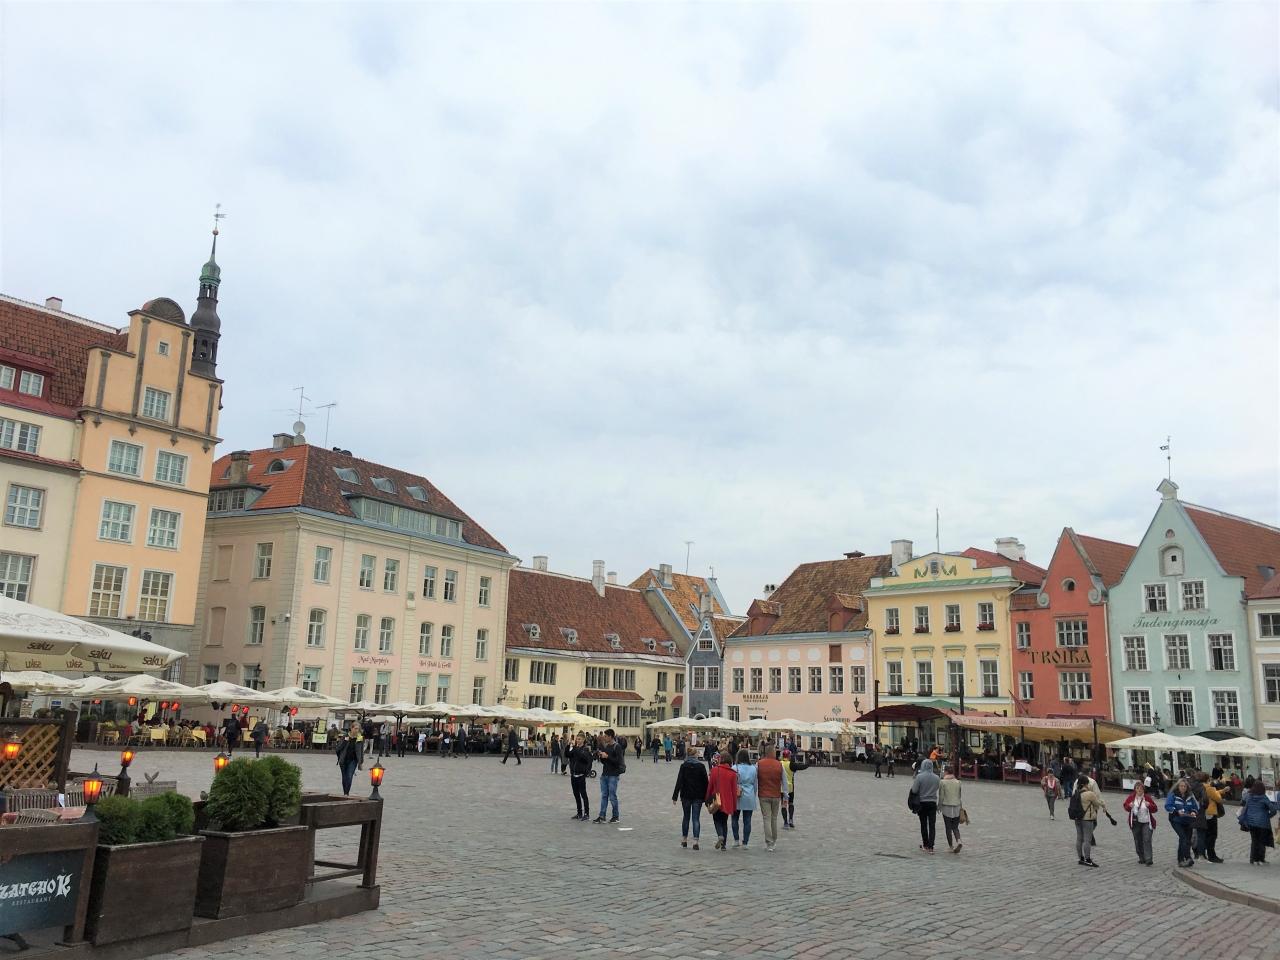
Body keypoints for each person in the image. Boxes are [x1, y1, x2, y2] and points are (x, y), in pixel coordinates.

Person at [672, 748, 709, 849]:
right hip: (698, 796)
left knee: (686, 817)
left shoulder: (684, 766)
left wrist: (675, 796)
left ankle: (684, 840)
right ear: (695, 755)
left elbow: (679, 781)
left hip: (686, 795)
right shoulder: (701, 766)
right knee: (696, 818)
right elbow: (706, 783)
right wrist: (707, 797)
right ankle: (695, 842)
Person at [1074, 774, 1109, 867]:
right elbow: (1097, 804)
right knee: (1087, 840)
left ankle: (1081, 858)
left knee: (1079, 838)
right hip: (1087, 819)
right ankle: (1088, 859)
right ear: (1086, 784)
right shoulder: (1090, 794)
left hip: (1077, 819)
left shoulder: (1076, 793)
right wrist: (1103, 806)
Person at [1239, 781, 1278, 865]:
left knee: (1254, 840)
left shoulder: (1249, 796)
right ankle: (1260, 859)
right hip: (1262, 823)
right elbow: (1273, 810)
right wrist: (1268, 816)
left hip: (1251, 822)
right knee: (1261, 841)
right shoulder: (1263, 797)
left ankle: (1253, 859)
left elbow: (1242, 803)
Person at [1164, 778, 1200, 868]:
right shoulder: (1173, 795)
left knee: (1187, 840)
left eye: (1185, 786)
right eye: (1181, 786)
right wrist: (1176, 811)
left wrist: (1193, 812)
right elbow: (1168, 806)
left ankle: (1180, 860)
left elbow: (1195, 807)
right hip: (1176, 820)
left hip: (1188, 820)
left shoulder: (1190, 796)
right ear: (1178, 786)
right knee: (1183, 838)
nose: (1183, 788)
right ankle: (1188, 858)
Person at [706, 752, 738, 850]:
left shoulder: (715, 770)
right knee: (724, 821)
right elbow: (734, 791)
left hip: (716, 798)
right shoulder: (733, 773)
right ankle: (723, 845)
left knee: (716, 820)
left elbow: (710, 786)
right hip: (727, 800)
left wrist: (707, 798)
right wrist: (734, 805)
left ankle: (720, 835)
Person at [909, 758, 941, 854]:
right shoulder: (937, 777)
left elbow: (914, 790)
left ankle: (925, 844)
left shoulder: (919, 777)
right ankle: (931, 846)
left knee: (923, 824)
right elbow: (937, 788)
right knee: (932, 825)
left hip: (922, 803)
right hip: (932, 803)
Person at [756, 744, 784, 852]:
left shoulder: (759, 764)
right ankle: (774, 840)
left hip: (763, 794)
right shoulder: (779, 764)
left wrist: (755, 791)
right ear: (773, 752)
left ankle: (769, 843)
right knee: (774, 818)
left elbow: (755, 779)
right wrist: (785, 794)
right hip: (776, 795)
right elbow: (784, 780)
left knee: (766, 818)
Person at [1123, 780, 1158, 866]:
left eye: (1141, 788)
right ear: (1135, 789)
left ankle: (1148, 859)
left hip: (1146, 822)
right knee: (1138, 840)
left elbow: (1155, 809)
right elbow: (1125, 806)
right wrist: (1129, 806)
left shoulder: (1147, 798)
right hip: (1135, 822)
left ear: (1143, 789)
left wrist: (1149, 805)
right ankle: (1141, 857)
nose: (1139, 790)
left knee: (1147, 839)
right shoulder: (1131, 797)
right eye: (1137, 788)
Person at [594, 729, 625, 823]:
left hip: (613, 775)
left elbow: (618, 761)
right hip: (605, 774)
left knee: (612, 796)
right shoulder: (606, 746)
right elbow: (605, 762)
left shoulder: (617, 747)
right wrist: (601, 756)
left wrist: (607, 757)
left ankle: (615, 816)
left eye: (606, 736)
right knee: (604, 796)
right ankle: (602, 816)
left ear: (611, 736)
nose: (604, 737)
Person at [1194, 771, 1226, 863]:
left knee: (1203, 834)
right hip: (1210, 813)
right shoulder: (1209, 787)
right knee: (1212, 835)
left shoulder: (1198, 787)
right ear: (1208, 779)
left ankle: (1201, 854)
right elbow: (1218, 798)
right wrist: (1219, 792)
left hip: (1201, 812)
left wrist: (1221, 791)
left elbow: (1212, 794)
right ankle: (1211, 855)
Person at [731, 749, 758, 849]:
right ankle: (745, 842)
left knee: (734, 819)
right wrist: (754, 794)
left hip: (737, 794)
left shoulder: (734, 767)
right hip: (749, 794)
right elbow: (755, 784)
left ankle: (736, 840)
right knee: (747, 820)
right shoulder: (753, 768)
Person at [567, 734, 593, 820]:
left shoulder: (585, 749)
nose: (578, 741)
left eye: (579, 739)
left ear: (583, 740)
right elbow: (568, 755)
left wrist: (586, 772)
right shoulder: (575, 749)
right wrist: (568, 746)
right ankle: (579, 813)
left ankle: (587, 814)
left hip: (581, 776)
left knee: (583, 795)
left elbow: (585, 759)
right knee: (576, 795)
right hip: (573, 775)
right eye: (577, 739)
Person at [938, 765, 963, 853]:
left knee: (948, 827)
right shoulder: (958, 782)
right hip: (956, 806)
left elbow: (941, 796)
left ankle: (951, 846)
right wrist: (961, 807)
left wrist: (939, 806)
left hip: (946, 807)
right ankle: (959, 841)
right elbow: (959, 796)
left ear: (946, 772)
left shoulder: (942, 782)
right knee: (955, 827)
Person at [780, 750, 808, 829]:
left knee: (784, 805)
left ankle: (785, 823)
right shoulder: (791, 764)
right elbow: (801, 767)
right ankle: (791, 819)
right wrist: (808, 763)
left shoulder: (779, 763)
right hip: (790, 788)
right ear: (789, 756)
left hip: (782, 788)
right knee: (791, 803)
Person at [335, 728, 360, 796]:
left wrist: (360, 762)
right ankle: (345, 793)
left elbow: (360, 751)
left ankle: (346, 793)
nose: (357, 730)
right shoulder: (345, 736)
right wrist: (345, 741)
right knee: (344, 776)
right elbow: (338, 748)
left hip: (353, 760)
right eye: (355, 728)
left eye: (358, 729)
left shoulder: (359, 738)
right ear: (351, 728)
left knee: (349, 776)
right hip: (343, 760)